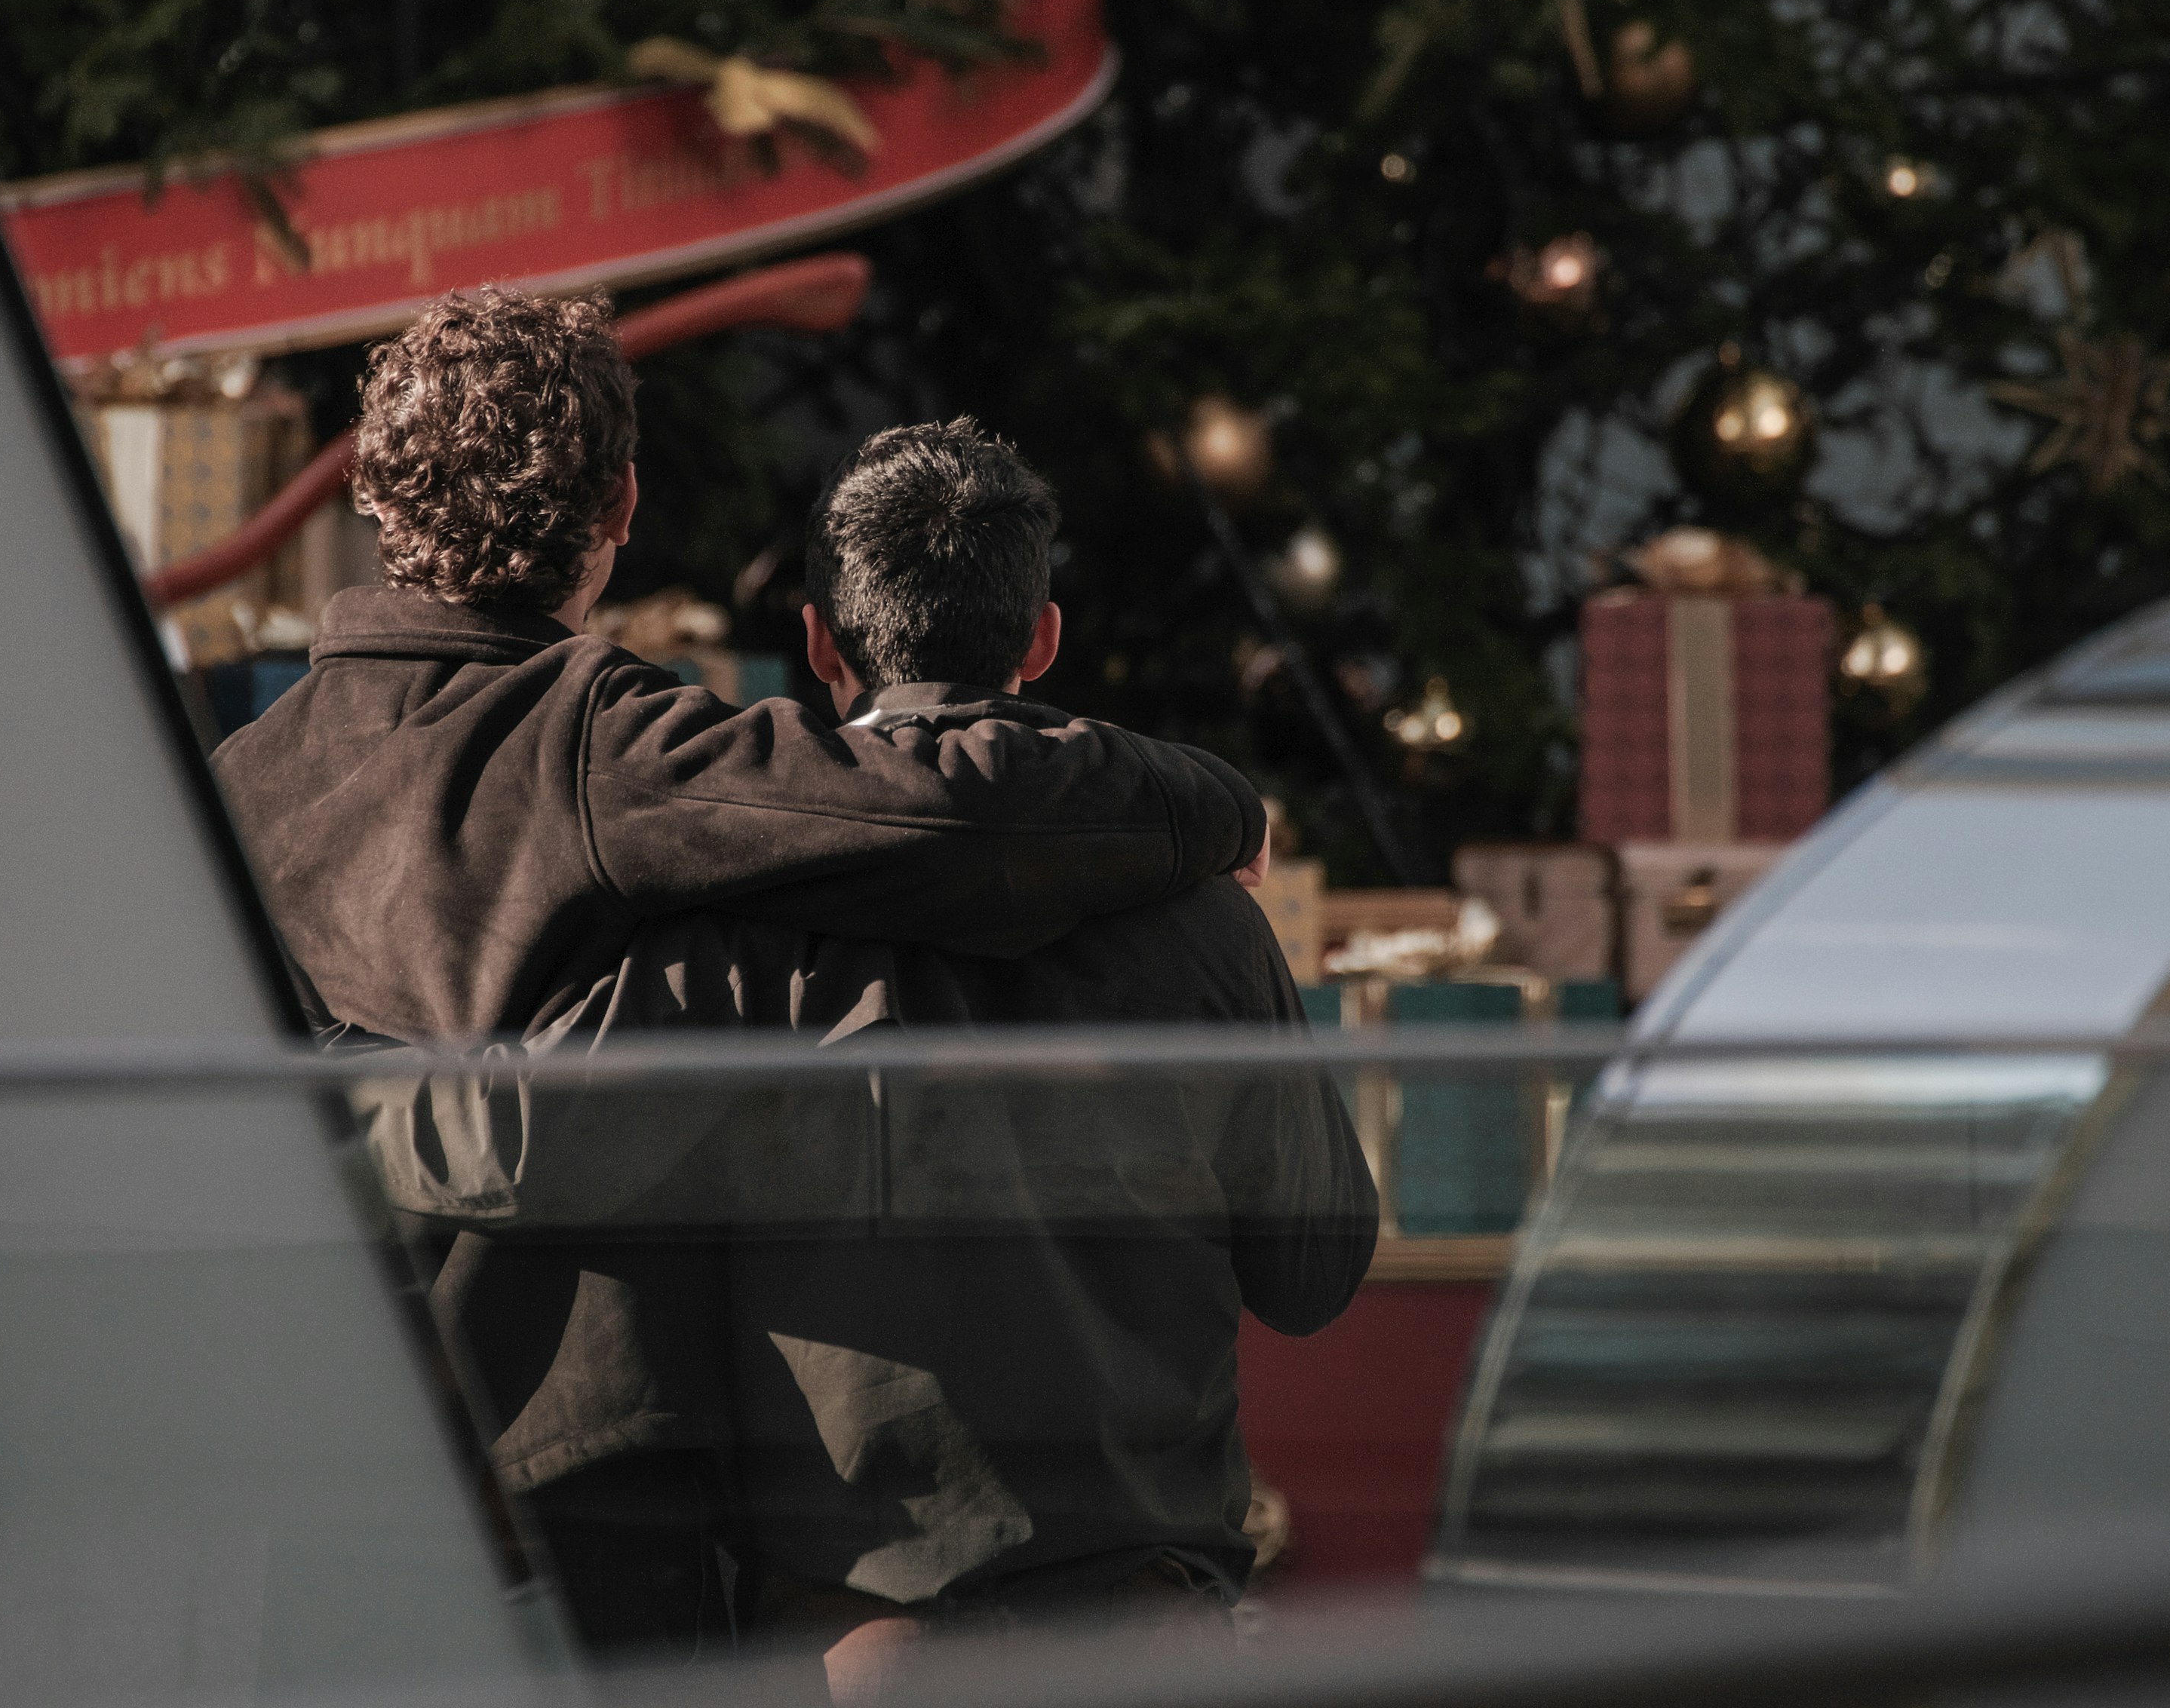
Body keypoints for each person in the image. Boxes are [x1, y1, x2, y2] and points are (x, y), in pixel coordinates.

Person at [207, 288, 1274, 1653]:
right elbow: (944, 797)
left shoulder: (236, 788)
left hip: (304, 1459)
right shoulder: (615, 750)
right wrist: (1212, 806)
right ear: (620, 510)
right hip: (580, 1482)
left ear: (368, 492)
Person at [700, 422, 1377, 1691]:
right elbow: (1314, 1272)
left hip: (853, 1627)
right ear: (1043, 638)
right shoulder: (1209, 918)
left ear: (820, 644)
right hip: (1139, 1614)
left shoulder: (742, 915)